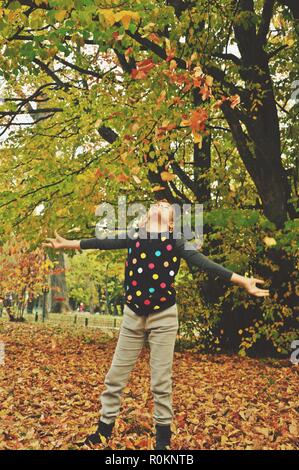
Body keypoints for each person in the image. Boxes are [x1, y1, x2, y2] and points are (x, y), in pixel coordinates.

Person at [42, 199, 270, 450]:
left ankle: (162, 440)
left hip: (164, 317)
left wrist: (242, 281)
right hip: (132, 317)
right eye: (157, 203)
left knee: (160, 381)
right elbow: (101, 243)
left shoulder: (176, 242)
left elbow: (206, 264)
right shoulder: (134, 236)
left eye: (165, 205)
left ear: (171, 222)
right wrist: (68, 244)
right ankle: (103, 430)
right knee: (115, 377)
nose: (160, 204)